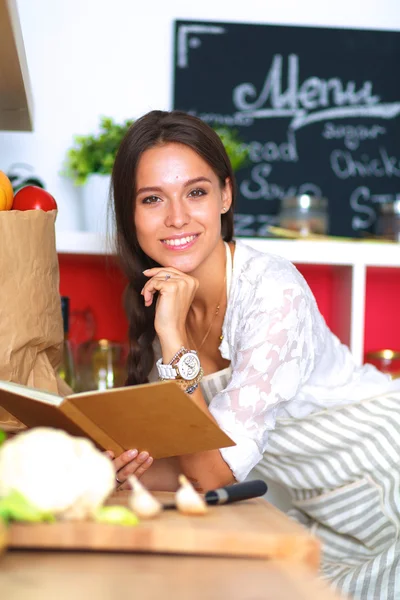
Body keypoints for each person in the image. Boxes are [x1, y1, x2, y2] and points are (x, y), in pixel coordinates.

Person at [107, 109, 400, 599]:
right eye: (153, 199)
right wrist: (114, 470)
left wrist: (174, 341)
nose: (177, 217)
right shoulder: (168, 301)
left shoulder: (272, 292)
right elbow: (193, 459)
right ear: (130, 214)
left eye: (196, 192)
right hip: (323, 513)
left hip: (389, 481)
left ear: (226, 195)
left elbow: (211, 472)